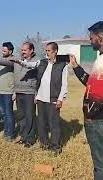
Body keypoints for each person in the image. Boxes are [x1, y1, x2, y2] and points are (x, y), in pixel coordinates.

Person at [70, 21, 103, 179]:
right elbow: (91, 83)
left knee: (100, 166)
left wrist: (91, 114)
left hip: (98, 121)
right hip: (95, 120)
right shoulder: (100, 59)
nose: (90, 40)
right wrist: (76, 67)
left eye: (92, 37)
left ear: (101, 37)